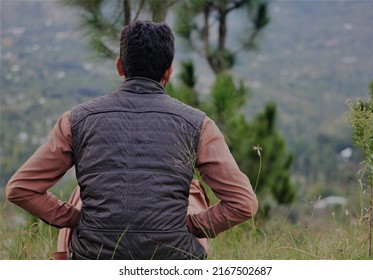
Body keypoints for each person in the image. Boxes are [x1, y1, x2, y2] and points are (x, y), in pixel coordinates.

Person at [6, 20, 258, 260]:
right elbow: (243, 203)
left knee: (78, 197)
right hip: (175, 259)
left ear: (119, 66)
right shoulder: (198, 124)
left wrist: (77, 218)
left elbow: (21, 189)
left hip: (92, 258)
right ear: (169, 72)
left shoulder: (75, 120)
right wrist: (190, 224)